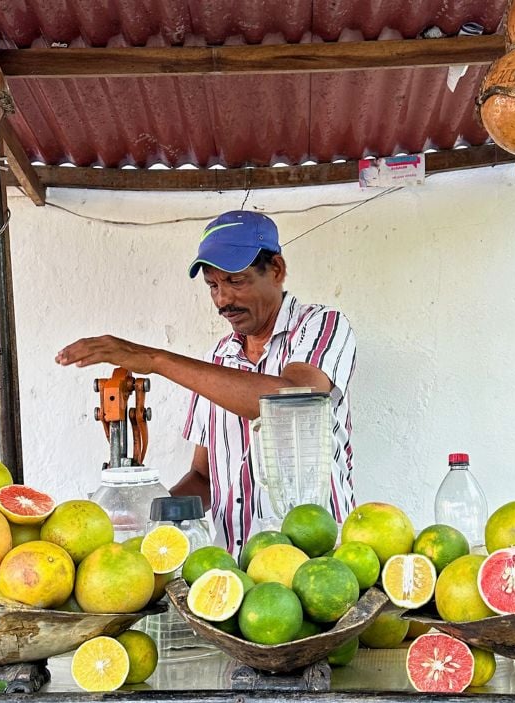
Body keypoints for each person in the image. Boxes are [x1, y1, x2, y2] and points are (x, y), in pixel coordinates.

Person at [56, 210, 356, 553]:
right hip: (235, 569)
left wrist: (156, 360)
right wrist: (146, 523)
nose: (223, 300)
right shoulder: (219, 358)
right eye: (213, 285)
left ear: (276, 270)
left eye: (235, 281)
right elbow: (203, 478)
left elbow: (292, 397)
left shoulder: (322, 325)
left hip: (318, 560)